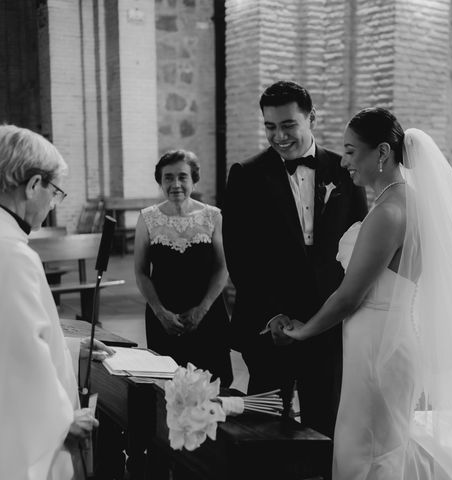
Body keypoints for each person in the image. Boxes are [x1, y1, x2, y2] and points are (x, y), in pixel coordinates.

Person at [283, 108, 452, 479]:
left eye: (351, 151)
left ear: (382, 153)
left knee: (365, 448)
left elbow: (350, 296)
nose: (344, 161)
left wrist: (301, 331)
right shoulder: (405, 201)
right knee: (383, 444)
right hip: (386, 338)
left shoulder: (389, 212)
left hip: (379, 346)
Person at [222, 80, 368, 436]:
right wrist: (273, 315)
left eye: (288, 125)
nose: (279, 136)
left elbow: (357, 243)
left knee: (325, 425)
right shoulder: (246, 175)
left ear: (311, 118)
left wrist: (337, 311)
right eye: (270, 127)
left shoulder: (345, 170)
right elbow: (240, 256)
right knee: (265, 427)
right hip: (272, 324)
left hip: (329, 322)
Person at [0, 124, 114, 480]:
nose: (53, 204)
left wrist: (71, 346)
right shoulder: (11, 253)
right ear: (33, 185)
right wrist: (63, 420)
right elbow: (16, 358)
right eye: (55, 192)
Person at [134, 150, 232, 386]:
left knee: (213, 387)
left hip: (208, 313)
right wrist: (160, 312)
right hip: (165, 317)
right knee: (169, 387)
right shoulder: (147, 219)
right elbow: (141, 272)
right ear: (160, 181)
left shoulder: (213, 216)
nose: (175, 184)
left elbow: (222, 268)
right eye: (168, 177)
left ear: (193, 180)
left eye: (182, 177)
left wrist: (202, 309)